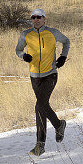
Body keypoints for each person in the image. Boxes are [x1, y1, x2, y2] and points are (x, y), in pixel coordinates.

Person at [15, 8, 70, 155]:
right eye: (33, 17)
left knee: (40, 105)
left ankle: (45, 140)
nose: (36, 19)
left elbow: (66, 41)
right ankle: (56, 128)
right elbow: (18, 50)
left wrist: (63, 57)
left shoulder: (52, 32)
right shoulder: (26, 34)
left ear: (44, 19)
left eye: (39, 17)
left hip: (50, 74)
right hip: (34, 76)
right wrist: (23, 56)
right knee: (40, 107)